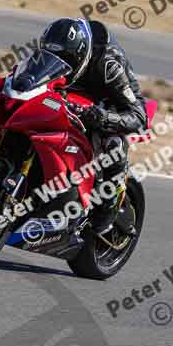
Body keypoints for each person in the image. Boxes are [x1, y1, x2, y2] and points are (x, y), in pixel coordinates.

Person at [39, 17, 147, 236]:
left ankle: (108, 208)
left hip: (111, 99)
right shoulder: (54, 52)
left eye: (65, 58)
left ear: (80, 54)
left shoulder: (108, 65)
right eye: (53, 56)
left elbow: (138, 116)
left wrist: (103, 117)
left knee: (112, 141)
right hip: (73, 94)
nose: (61, 62)